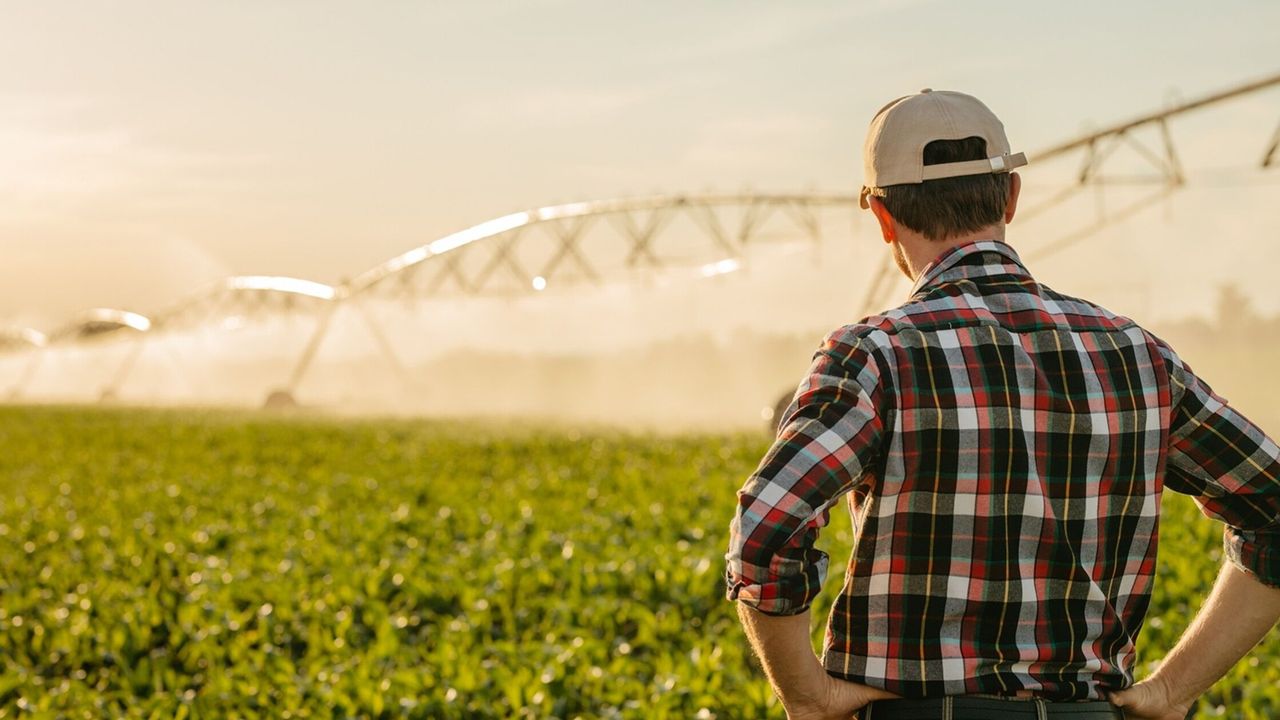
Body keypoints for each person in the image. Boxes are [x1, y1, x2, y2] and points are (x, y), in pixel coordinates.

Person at [724, 89, 1280, 720]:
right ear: (1011, 195)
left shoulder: (874, 355)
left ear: (882, 215)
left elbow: (767, 527)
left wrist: (807, 695)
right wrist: (1171, 690)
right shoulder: (1138, 354)